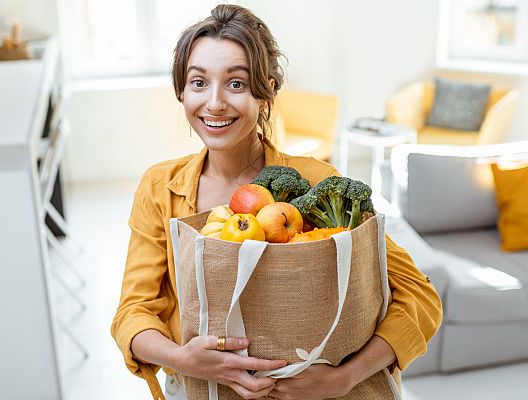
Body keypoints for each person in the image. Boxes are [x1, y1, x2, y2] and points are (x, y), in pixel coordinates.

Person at [111, 4, 442, 400]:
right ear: (181, 91)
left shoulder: (320, 183)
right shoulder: (159, 188)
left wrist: (342, 379)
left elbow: (419, 297)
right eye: (198, 82)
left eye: (236, 83)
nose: (214, 103)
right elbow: (133, 313)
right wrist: (185, 359)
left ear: (265, 92)